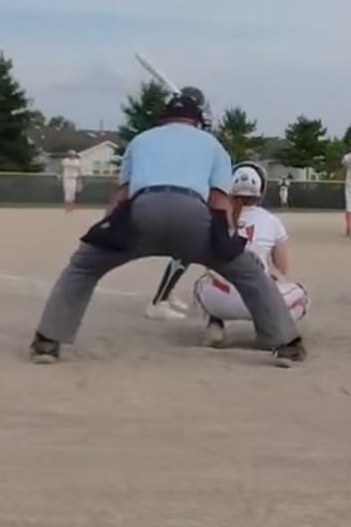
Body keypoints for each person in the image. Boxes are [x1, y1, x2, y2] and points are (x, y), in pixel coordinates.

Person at [30, 87, 306, 367]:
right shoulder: (213, 145)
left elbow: (122, 195)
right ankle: (286, 343)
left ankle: (47, 342)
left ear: (164, 118)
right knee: (249, 273)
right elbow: (220, 201)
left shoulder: (141, 140)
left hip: (142, 211)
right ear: (197, 120)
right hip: (193, 214)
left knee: (83, 267)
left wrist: (105, 232)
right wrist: (227, 243)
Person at [192, 163, 308, 348]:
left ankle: (215, 325)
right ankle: (271, 329)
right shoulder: (271, 221)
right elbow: (282, 270)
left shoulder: (215, 218)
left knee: (201, 283)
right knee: (300, 294)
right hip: (259, 296)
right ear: (260, 191)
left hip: (221, 298)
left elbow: (209, 263)